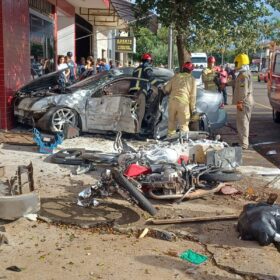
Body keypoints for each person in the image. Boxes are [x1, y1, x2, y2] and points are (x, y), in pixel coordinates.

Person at [164, 62, 197, 136]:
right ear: (191, 70)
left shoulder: (176, 76)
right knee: (184, 125)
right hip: (183, 103)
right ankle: (184, 143)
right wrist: (193, 109)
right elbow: (193, 95)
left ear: (183, 68)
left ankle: (170, 139)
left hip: (172, 102)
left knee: (171, 123)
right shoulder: (192, 79)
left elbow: (166, 89)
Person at [129, 53, 158, 131]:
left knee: (134, 113)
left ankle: (132, 130)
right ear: (148, 60)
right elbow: (150, 77)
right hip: (140, 92)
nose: (151, 62)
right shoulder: (146, 67)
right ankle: (136, 132)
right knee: (140, 113)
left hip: (132, 93)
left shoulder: (136, 69)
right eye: (150, 61)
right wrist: (159, 85)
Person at [232, 53, 254, 150]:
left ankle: (244, 144)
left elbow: (243, 91)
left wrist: (240, 102)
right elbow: (236, 83)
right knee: (241, 122)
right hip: (244, 101)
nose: (235, 65)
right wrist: (225, 83)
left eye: (236, 63)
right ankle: (242, 142)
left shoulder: (244, 76)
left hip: (244, 102)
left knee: (243, 122)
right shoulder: (242, 74)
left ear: (241, 62)